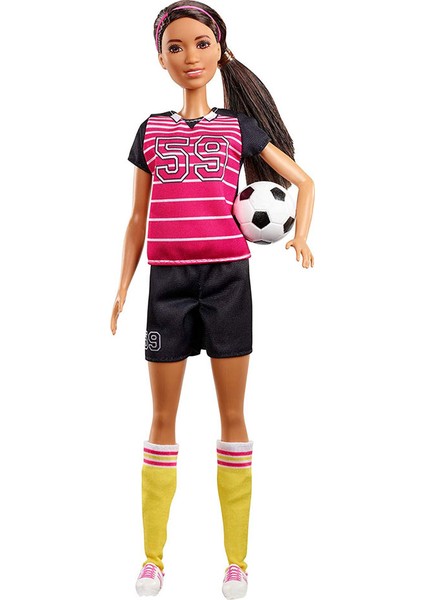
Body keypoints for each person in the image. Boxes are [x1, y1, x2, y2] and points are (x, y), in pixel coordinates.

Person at [110, 2, 315, 597]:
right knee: (162, 418)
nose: (189, 56)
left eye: (201, 44)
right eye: (175, 47)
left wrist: (301, 234)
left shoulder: (238, 127)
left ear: (220, 50)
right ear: (160, 58)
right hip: (167, 286)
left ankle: (237, 562)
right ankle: (153, 558)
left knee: (233, 418)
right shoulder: (151, 131)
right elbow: (138, 217)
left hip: (228, 282)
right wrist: (123, 286)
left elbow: (304, 181)